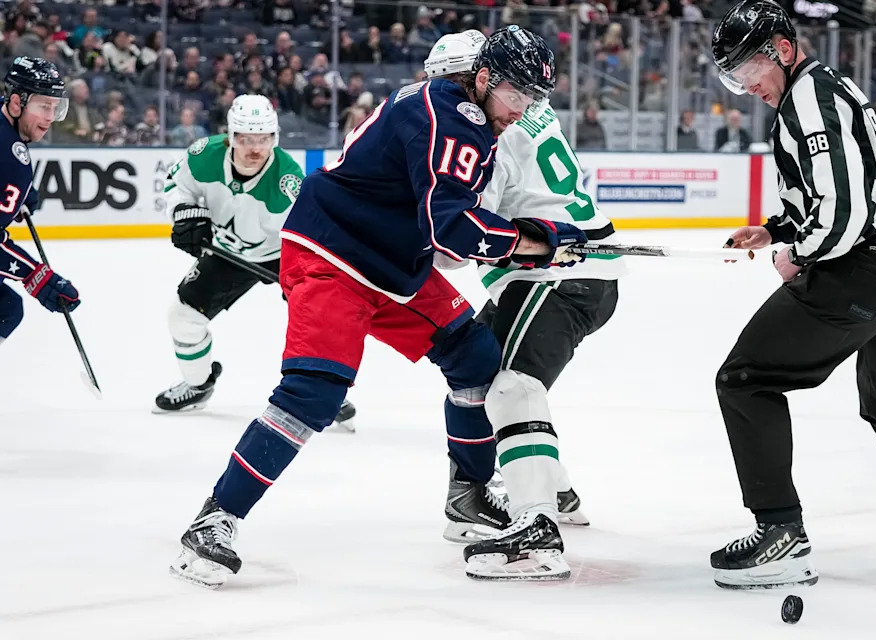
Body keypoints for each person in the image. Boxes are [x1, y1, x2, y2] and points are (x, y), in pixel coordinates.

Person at [169, 26, 584, 589]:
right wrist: (539, 241)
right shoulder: (456, 118)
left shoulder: (455, 111)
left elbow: (442, 226)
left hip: (391, 262)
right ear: (482, 78)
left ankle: (469, 495)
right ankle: (215, 518)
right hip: (331, 255)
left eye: (532, 100)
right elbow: (453, 230)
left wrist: (522, 239)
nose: (521, 110)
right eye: (515, 95)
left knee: (476, 357)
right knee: (314, 392)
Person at [711, 0, 876, 589]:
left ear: (783, 50)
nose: (748, 87)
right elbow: (849, 189)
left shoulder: (807, 100)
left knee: (745, 379)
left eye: (749, 71)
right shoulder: (831, 88)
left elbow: (842, 212)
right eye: (735, 78)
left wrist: (798, 254)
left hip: (864, 273)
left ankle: (780, 533)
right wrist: (775, 229)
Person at [424, 30, 624, 580]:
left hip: (558, 274)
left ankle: (536, 526)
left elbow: (457, 247)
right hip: (572, 271)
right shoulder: (525, 112)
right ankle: (550, 491)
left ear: (477, 77)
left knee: (511, 387)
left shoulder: (485, 133)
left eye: (448, 82)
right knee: (479, 372)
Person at [154, 93, 356, 430]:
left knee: (317, 318)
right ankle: (198, 384)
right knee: (183, 317)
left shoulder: (287, 179)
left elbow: (308, 231)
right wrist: (184, 212)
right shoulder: (204, 154)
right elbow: (177, 184)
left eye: (263, 139)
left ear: (274, 138)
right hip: (228, 252)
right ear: (230, 136)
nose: (254, 149)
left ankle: (322, 388)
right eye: (246, 139)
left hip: (285, 254)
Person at [0, 57, 80, 344]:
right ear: (17, 103)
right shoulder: (11, 163)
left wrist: (19, 191)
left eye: (55, 107)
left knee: (6, 308)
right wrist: (35, 276)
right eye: (43, 106)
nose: (50, 117)